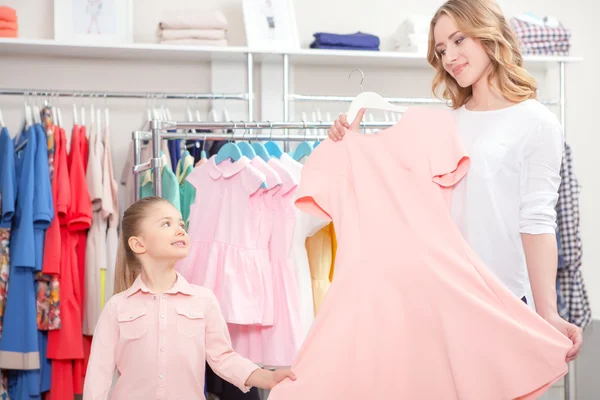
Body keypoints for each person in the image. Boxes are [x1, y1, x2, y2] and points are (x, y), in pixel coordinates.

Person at [327, 0, 582, 363]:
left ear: (489, 34)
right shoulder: (443, 125)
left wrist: (548, 312)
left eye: (459, 40)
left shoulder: (536, 122)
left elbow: (537, 220)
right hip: (440, 296)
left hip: (502, 297)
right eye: (442, 49)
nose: (449, 57)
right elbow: (391, 190)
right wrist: (348, 140)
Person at [82, 196, 295, 399]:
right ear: (138, 244)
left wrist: (268, 378)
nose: (180, 230)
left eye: (182, 225)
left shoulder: (203, 301)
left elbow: (224, 358)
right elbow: (98, 376)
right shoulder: (117, 308)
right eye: (166, 224)